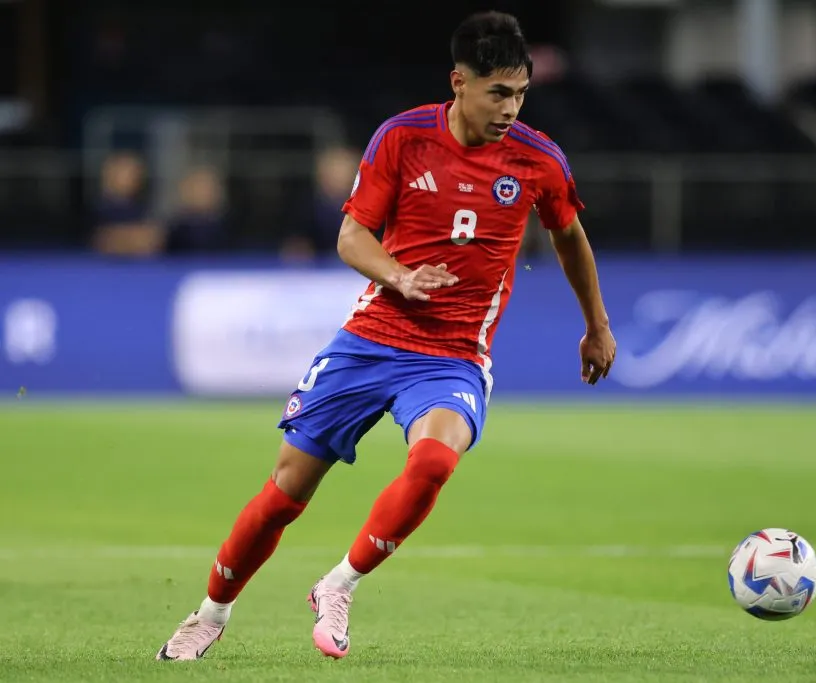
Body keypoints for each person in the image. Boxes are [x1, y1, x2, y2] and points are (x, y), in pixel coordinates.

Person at [156, 10, 616, 662]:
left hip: (453, 355)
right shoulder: (402, 138)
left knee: (434, 462)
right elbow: (351, 237)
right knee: (285, 492)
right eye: (497, 93)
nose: (510, 108)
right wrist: (399, 275)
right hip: (371, 339)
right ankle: (210, 613)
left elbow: (569, 235)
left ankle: (339, 584)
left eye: (520, 93)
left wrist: (596, 325)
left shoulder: (538, 158)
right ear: (459, 82)